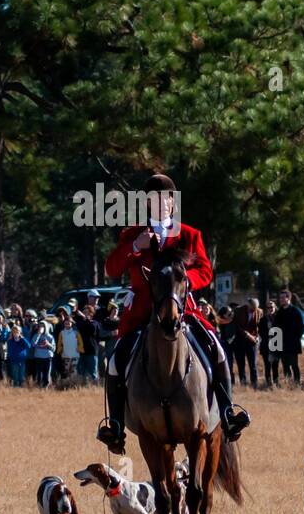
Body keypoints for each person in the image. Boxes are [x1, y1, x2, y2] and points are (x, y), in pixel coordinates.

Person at [97, 173, 249, 455]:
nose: (160, 204)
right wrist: (135, 247)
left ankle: (228, 413)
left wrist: (184, 279)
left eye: (165, 199)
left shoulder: (190, 235)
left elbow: (205, 270)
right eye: (153, 200)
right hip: (143, 311)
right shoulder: (132, 234)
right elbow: (112, 268)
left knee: (216, 349)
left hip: (181, 309)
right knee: (116, 359)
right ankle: (116, 426)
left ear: (171, 202)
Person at [273, 289, 304, 385]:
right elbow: (276, 328)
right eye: (280, 298)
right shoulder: (279, 312)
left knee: (294, 365)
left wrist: (296, 338)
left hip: (293, 344)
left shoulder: (296, 311)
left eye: (283, 297)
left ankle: (297, 383)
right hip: (282, 344)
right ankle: (289, 383)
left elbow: (301, 326)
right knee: (285, 365)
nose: (281, 299)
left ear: (288, 298)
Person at [232, 297, 261, 388]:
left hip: (252, 342)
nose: (254, 310)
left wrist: (256, 337)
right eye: (252, 308)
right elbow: (236, 326)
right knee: (241, 364)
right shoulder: (238, 311)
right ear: (248, 305)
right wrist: (247, 335)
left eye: (255, 309)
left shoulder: (259, 312)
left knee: (253, 364)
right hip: (240, 341)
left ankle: (254, 384)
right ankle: (243, 384)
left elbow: (259, 326)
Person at [31, 321, 55, 387]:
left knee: (47, 375)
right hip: (38, 357)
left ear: (46, 327)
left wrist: (48, 344)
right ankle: (39, 388)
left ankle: (46, 388)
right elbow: (33, 344)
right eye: (40, 326)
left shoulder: (50, 337)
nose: (41, 327)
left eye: (43, 326)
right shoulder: (36, 335)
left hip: (47, 358)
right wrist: (38, 335)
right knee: (39, 375)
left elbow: (53, 349)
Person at [6, 323, 30, 387]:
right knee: (15, 377)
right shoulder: (10, 341)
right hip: (14, 361)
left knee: (22, 376)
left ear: (20, 332)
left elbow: (28, 346)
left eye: (17, 331)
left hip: (22, 361)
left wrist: (22, 338)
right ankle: (16, 389)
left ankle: (21, 389)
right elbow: (10, 350)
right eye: (14, 332)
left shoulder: (23, 340)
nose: (16, 333)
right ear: (12, 333)